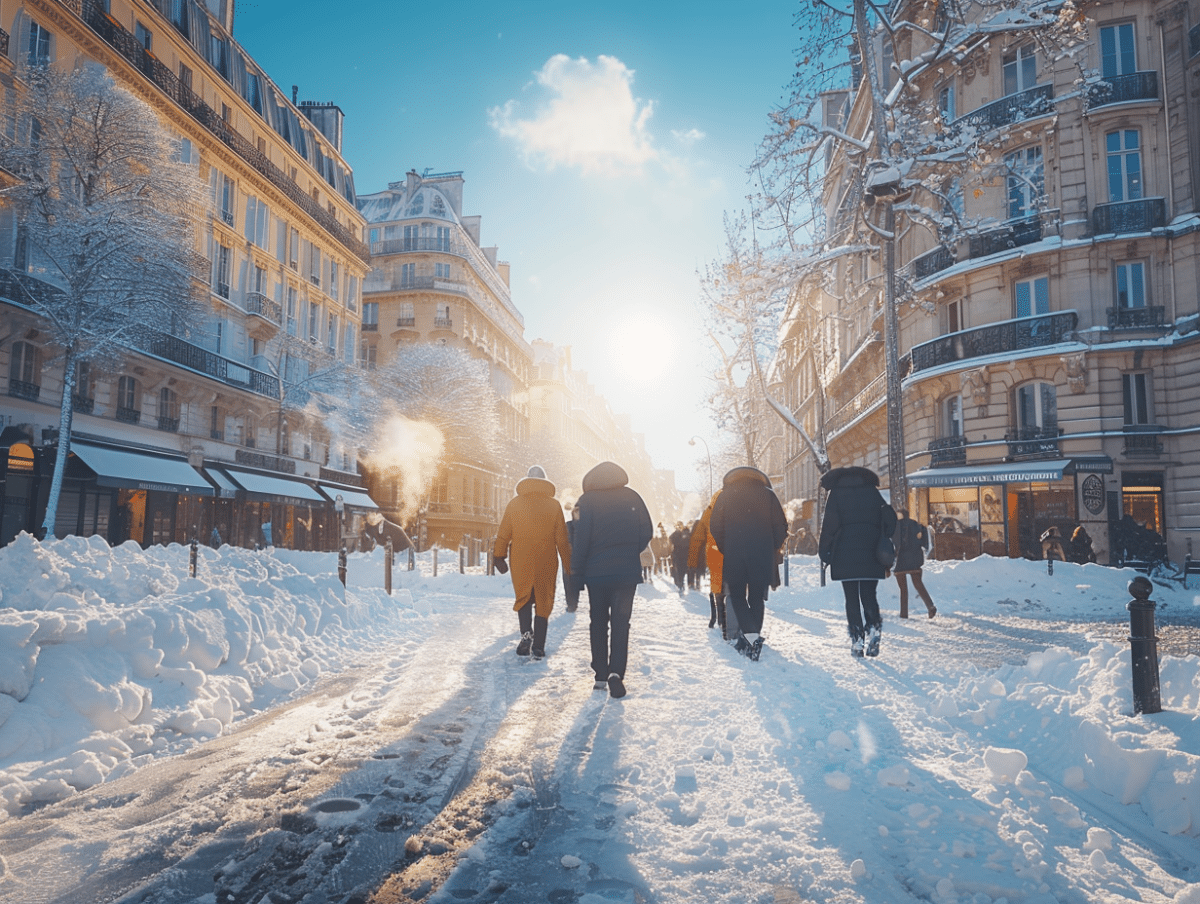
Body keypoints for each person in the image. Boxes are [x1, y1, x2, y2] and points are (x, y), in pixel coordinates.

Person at [569, 461, 653, 698]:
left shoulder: (586, 501)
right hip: (626, 573)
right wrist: (630, 549)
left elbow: (580, 539)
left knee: (598, 622)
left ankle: (600, 674)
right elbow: (647, 530)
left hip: (597, 574)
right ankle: (617, 672)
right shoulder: (633, 497)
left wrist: (576, 571)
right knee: (621, 622)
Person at [493, 465, 572, 660]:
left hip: (521, 559)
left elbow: (504, 534)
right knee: (544, 600)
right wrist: (570, 565)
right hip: (546, 560)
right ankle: (539, 646)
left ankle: (526, 634)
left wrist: (498, 556)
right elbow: (562, 539)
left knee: (524, 598)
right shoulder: (554, 506)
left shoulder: (515, 504)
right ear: (545, 482)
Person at [710, 467, 788, 660]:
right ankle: (752, 639)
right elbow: (782, 526)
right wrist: (772, 547)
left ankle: (751, 638)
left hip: (734, 553)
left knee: (736, 596)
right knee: (756, 597)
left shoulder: (725, 495)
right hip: (762, 555)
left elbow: (715, 526)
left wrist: (725, 546)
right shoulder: (768, 495)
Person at [819, 465, 897, 658]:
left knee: (851, 599)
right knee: (870, 594)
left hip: (845, 553)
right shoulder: (872, 492)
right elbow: (889, 518)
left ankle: (857, 640)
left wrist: (824, 552)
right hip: (872, 551)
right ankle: (874, 629)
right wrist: (883, 537)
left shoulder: (836, 494)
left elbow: (829, 525)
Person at [688, 491, 725, 633]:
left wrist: (692, 560)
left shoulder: (709, 512)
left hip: (715, 554)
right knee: (735, 588)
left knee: (717, 587)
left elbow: (697, 538)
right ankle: (731, 618)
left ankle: (719, 619)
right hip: (733, 554)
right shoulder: (734, 507)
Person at [893, 509, 936, 619]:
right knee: (918, 584)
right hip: (916, 559)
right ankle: (930, 606)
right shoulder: (917, 525)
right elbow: (925, 544)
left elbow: (895, 542)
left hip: (901, 561)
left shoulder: (896, 526)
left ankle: (904, 614)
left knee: (903, 589)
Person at [564, 504, 583, 612]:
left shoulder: (588, 525)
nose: (577, 514)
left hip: (584, 558)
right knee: (569, 581)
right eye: (576, 512)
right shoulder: (568, 525)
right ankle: (571, 604)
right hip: (570, 557)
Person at [668, 521, 690, 592]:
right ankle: (681, 582)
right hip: (684, 554)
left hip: (677, 554)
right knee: (682, 570)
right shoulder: (685, 533)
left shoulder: (676, 534)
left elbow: (670, 539)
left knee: (678, 569)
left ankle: (679, 583)